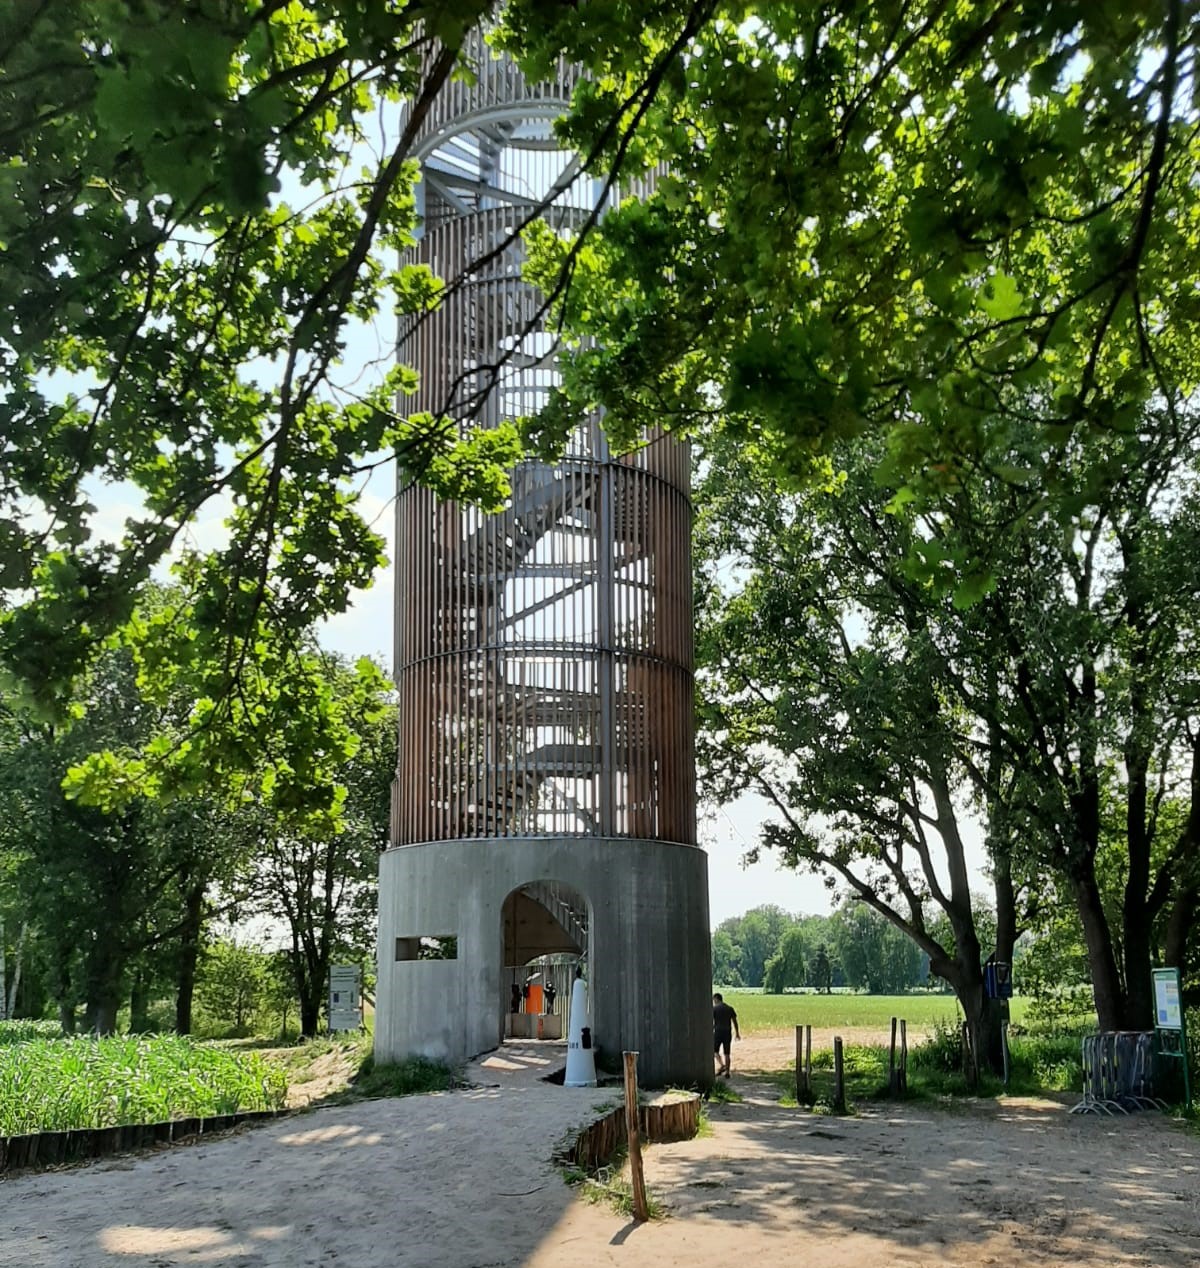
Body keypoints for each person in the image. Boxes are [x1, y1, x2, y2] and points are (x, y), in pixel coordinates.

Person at [712, 993, 740, 1077]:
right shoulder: (729, 1008)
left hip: (718, 1032)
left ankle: (721, 1065)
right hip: (727, 1032)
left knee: (714, 1050)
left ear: (716, 999)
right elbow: (734, 1021)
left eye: (714, 1000)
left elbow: (713, 1022)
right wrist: (737, 1032)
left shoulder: (714, 1009)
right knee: (727, 1053)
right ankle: (727, 1072)